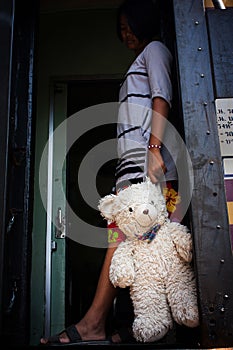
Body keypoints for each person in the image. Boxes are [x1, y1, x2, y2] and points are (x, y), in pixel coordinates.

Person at [40, 0, 181, 345]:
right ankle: (126, 329)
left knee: (122, 242)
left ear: (143, 21)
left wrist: (153, 151)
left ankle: (94, 324)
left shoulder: (156, 50)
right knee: (133, 246)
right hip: (132, 168)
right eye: (120, 29)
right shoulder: (141, 59)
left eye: (128, 24)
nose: (125, 32)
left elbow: (162, 99)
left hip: (147, 166)